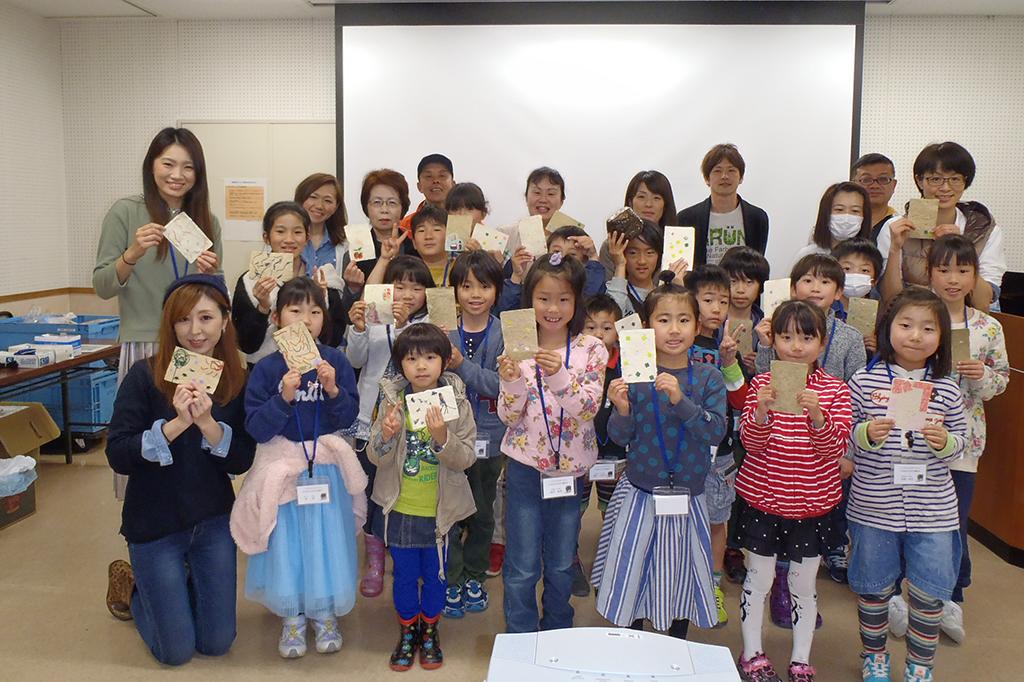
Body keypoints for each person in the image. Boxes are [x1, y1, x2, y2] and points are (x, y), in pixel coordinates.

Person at [104, 274, 253, 664]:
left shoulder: (235, 380)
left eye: (206, 318)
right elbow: (118, 453)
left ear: (224, 321)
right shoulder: (145, 375)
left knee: (217, 642)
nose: (195, 331)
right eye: (183, 320)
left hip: (212, 521)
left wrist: (207, 424)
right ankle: (134, 589)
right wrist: (175, 425)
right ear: (170, 325)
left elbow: (242, 460)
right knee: (176, 652)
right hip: (154, 525)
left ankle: (176, 589)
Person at [884, 237, 1008, 645]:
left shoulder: (988, 326)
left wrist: (981, 376)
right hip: (908, 442)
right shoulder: (913, 318)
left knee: (951, 523)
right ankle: (896, 595)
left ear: (974, 276)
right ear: (930, 274)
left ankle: (950, 596)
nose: (953, 279)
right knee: (902, 517)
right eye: (944, 270)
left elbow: (1000, 381)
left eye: (962, 270)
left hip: (962, 443)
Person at [592, 272, 727, 638]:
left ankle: (675, 643)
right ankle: (634, 639)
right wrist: (620, 409)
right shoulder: (636, 374)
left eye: (683, 320)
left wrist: (681, 402)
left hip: (688, 495)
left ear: (697, 326)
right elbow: (621, 438)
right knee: (634, 569)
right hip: (640, 491)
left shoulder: (708, 377)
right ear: (647, 327)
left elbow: (715, 430)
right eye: (663, 320)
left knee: (680, 573)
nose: (674, 330)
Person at [232, 277, 362, 658]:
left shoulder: (335, 360)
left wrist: (334, 390)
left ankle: (324, 612)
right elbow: (256, 427)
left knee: (326, 541)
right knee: (286, 542)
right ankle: (292, 618)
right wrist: (284, 398)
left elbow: (348, 416)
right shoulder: (267, 369)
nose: (306, 319)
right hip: (283, 467)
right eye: (295, 310)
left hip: (324, 471)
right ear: (276, 317)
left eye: (315, 311)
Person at [846, 286, 967, 682]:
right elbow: (843, 436)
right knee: (874, 587)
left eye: (928, 328)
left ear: (941, 337)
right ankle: (874, 656)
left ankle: (920, 666)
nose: (916, 336)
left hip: (933, 510)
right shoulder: (863, 380)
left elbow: (962, 442)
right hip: (874, 504)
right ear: (888, 328)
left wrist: (945, 442)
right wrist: (866, 434)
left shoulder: (948, 387)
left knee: (930, 593)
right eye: (906, 325)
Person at [94, 127, 223, 498]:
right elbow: (102, 285)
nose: (177, 175)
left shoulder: (206, 220)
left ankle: (193, 535)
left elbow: (218, 294)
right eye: (168, 163)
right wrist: (131, 253)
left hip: (195, 349)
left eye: (188, 167)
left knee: (194, 445)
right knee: (142, 446)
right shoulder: (125, 212)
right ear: (152, 165)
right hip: (145, 345)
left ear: (198, 173)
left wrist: (209, 273)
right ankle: (146, 537)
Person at [733, 300, 853, 682]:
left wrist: (817, 415)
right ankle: (752, 652)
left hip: (812, 504)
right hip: (764, 500)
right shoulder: (760, 386)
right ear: (775, 341)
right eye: (786, 337)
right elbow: (750, 444)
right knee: (759, 579)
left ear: (822, 344)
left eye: (806, 337)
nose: (796, 346)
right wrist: (762, 412)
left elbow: (834, 449)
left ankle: (801, 659)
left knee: (803, 583)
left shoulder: (834, 391)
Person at [497, 253, 608, 633]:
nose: (553, 308)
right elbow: (508, 417)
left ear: (576, 301)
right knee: (523, 563)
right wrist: (512, 381)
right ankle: (521, 636)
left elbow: (588, 408)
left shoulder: (591, 348)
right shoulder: (518, 344)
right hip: (525, 470)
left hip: (570, 472)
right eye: (543, 298)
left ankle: (559, 630)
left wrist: (559, 374)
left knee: (561, 562)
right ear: (530, 299)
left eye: (563, 298)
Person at [367, 323, 477, 670]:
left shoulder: (456, 401)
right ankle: (407, 631)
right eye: (412, 359)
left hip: (439, 512)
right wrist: (386, 434)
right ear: (401, 365)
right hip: (400, 507)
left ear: (444, 362)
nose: (421, 366)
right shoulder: (391, 401)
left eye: (430, 357)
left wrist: (443, 437)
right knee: (403, 575)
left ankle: (430, 630)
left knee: (436, 576)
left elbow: (466, 458)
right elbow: (375, 456)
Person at [346, 255, 433, 598]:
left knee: (401, 488)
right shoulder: (372, 316)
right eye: (400, 286)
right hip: (369, 418)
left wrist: (402, 326)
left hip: (412, 421)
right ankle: (375, 560)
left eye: (417, 286)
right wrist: (357, 328)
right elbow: (355, 360)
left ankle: (401, 551)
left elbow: (413, 361)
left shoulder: (429, 324)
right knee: (369, 491)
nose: (408, 293)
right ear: (387, 288)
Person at [443, 251, 507, 617]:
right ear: (455, 291)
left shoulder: (503, 332)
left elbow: (500, 386)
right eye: (466, 286)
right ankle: (451, 577)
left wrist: (460, 365)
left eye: (484, 285)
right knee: (450, 512)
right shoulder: (444, 329)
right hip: (448, 436)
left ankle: (473, 575)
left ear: (496, 291)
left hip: (490, 435)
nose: (475, 294)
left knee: (483, 512)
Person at [878, 142, 1006, 311]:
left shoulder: (985, 231)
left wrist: (962, 248)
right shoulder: (895, 228)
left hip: (963, 325)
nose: (945, 188)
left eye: (955, 179)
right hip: (913, 323)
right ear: (919, 180)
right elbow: (889, 301)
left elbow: (983, 303)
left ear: (965, 181)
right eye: (935, 179)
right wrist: (895, 249)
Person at [231, 201, 346, 365]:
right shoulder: (250, 281)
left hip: (315, 374)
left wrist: (322, 302)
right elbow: (246, 344)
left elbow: (333, 339)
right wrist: (262, 308)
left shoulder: (324, 278)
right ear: (266, 237)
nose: (289, 239)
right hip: (265, 375)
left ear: (307, 237)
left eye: (297, 232)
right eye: (280, 231)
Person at [676, 143, 769, 267]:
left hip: (741, 284)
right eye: (717, 171)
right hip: (701, 284)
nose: (724, 176)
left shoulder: (757, 218)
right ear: (707, 179)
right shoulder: (686, 218)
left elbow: (758, 265)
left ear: (741, 177)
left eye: (731, 170)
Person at [338, 169, 412, 300]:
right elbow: (347, 311)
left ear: (403, 207)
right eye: (377, 202)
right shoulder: (355, 251)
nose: (384, 210)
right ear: (366, 207)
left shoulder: (414, 247)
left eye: (392, 203)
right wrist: (353, 288)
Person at [599, 170, 677, 278]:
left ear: (665, 204)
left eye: (656, 198)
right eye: (641, 197)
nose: (648, 204)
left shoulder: (676, 243)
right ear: (630, 202)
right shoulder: (613, 245)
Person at [792, 182, 873, 263]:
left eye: (855, 211)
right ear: (826, 213)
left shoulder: (870, 257)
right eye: (839, 209)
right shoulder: (808, 255)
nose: (846, 217)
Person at [605, 220, 665, 317]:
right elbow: (611, 318)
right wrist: (620, 265)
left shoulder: (665, 293)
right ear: (622, 253)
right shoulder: (614, 290)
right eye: (633, 253)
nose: (642, 261)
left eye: (649, 253)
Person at [294, 172, 347, 273]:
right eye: (313, 197)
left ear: (336, 206)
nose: (319, 206)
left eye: (327, 200)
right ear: (301, 198)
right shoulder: (284, 239)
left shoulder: (346, 243)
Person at [398, 153, 455, 235]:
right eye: (429, 176)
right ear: (419, 186)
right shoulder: (405, 226)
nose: (436, 180)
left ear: (453, 184)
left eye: (442, 175)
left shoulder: (466, 221)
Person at [850, 153, 899, 241]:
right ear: (853, 185)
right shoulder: (842, 223)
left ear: (894, 185)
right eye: (866, 180)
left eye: (883, 179)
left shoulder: (899, 225)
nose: (875, 186)